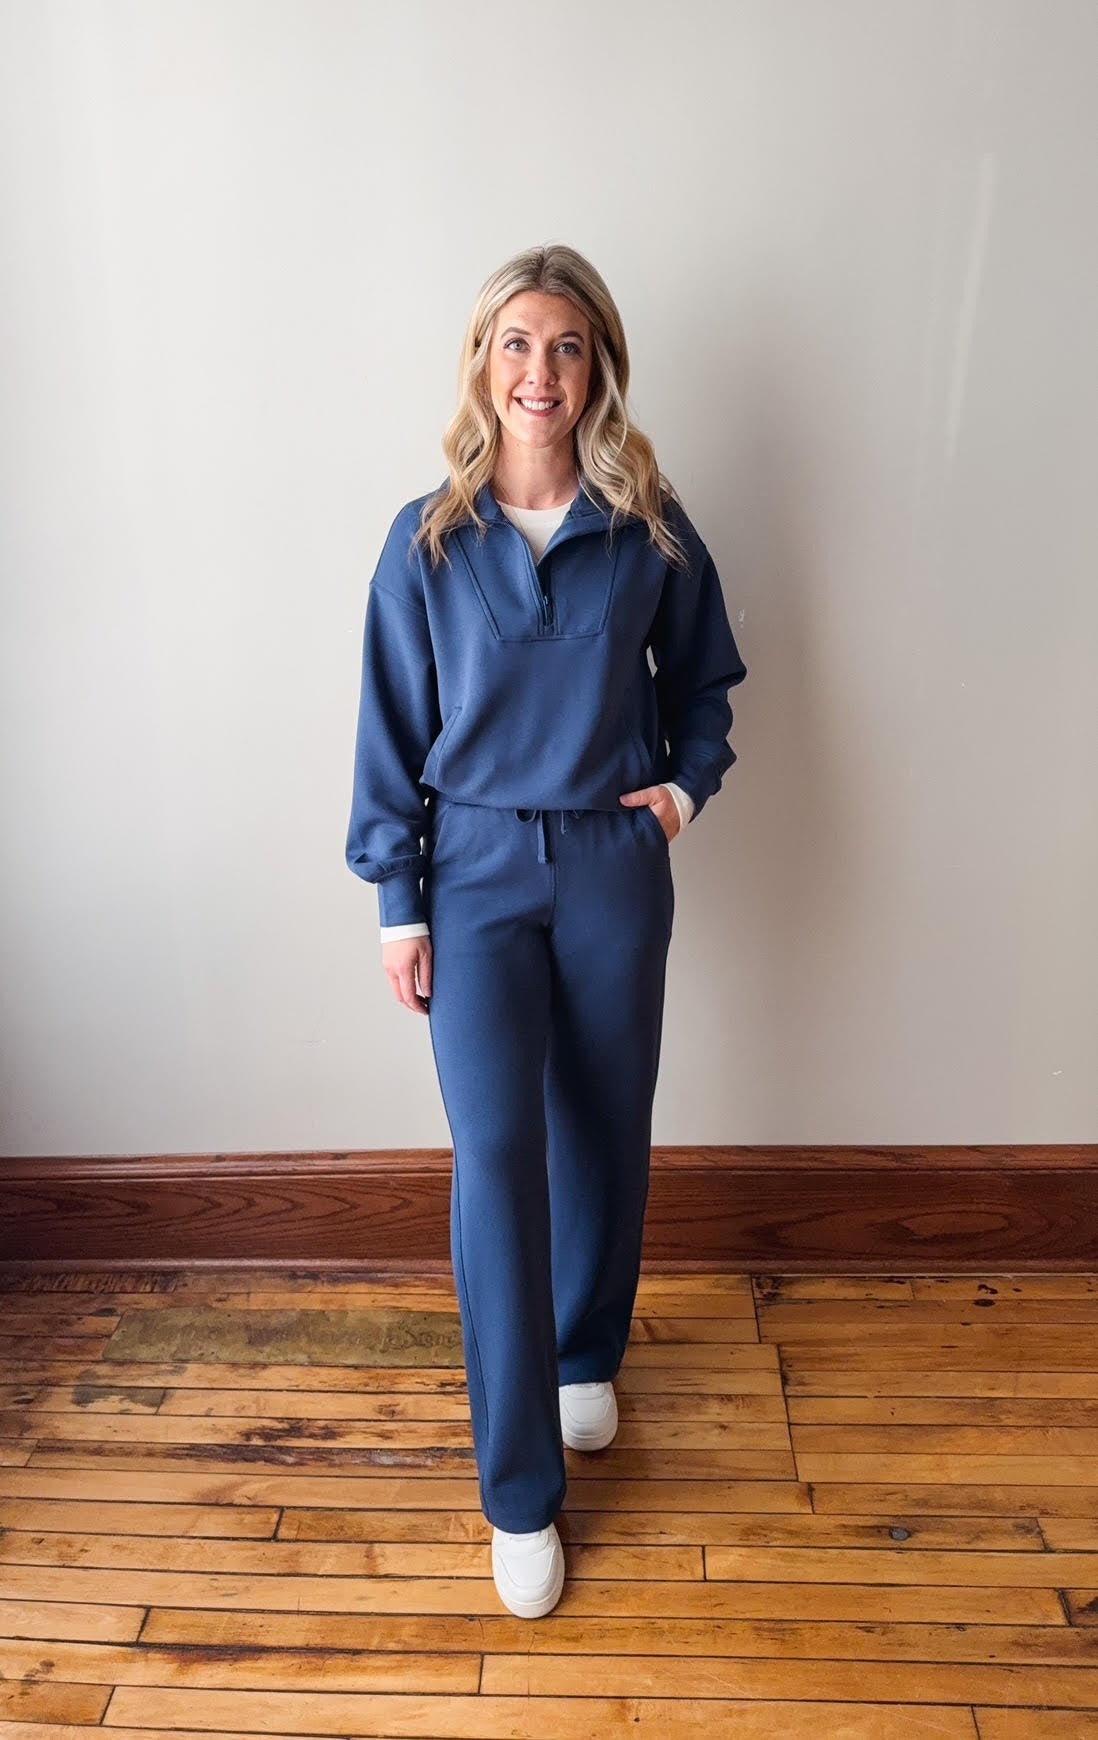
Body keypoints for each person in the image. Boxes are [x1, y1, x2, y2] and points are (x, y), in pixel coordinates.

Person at [346, 242, 746, 1619]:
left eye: (566, 345)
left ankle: (585, 1355)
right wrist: (396, 901)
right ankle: (518, 1493)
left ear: (597, 368)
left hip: (609, 865)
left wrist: (680, 796)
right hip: (469, 871)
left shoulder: (646, 523)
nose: (539, 371)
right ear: (482, 364)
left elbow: (705, 687)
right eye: (516, 343)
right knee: (495, 1159)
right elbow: (389, 735)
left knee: (601, 1124)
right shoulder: (426, 539)